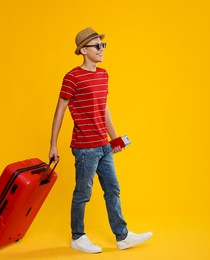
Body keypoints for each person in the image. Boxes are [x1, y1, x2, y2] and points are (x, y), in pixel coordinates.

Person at [48, 27, 152, 254]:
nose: (102, 49)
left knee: (113, 189)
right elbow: (60, 111)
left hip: (103, 145)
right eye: (97, 46)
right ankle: (78, 237)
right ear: (84, 50)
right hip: (85, 147)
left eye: (103, 45)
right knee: (83, 193)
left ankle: (122, 236)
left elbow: (104, 108)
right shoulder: (72, 77)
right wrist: (53, 144)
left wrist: (115, 139)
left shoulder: (103, 75)